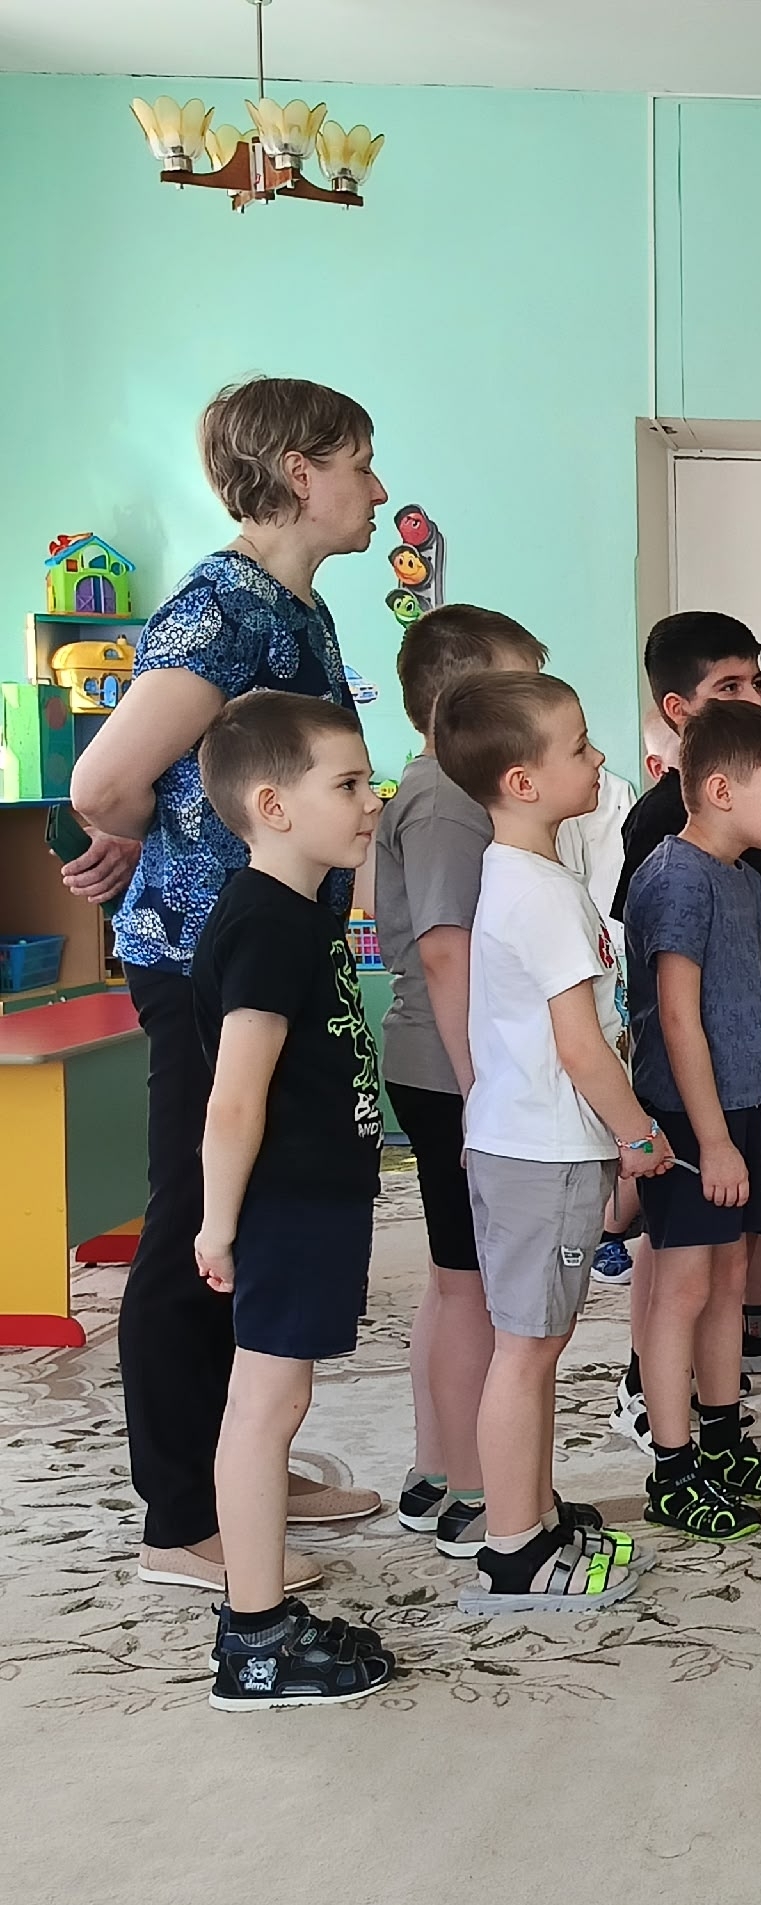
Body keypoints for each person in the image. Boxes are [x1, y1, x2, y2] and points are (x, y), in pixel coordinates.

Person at [67, 377, 386, 1594]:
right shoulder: (220, 605)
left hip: (271, 956)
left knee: (253, 1213)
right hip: (212, 965)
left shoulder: (293, 604)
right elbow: (104, 782)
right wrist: (131, 833)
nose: (377, 488)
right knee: (193, 1218)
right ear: (301, 474)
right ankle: (182, 1515)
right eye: (360, 463)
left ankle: (243, 1464)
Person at [191, 692, 399, 1706]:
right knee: (265, 1408)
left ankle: (259, 1618)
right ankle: (256, 1637)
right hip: (284, 1206)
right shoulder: (267, 927)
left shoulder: (302, 912)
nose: (370, 802)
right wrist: (217, 1223)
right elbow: (235, 1098)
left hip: (315, 1199)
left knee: (278, 1401)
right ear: (273, 806)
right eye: (347, 785)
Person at [442, 671, 658, 1614]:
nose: (599, 757)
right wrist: (639, 1134)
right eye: (579, 746)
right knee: (528, 1351)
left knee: (537, 1341)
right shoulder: (539, 894)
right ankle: (513, 1550)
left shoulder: (533, 875)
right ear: (523, 782)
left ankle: (532, 1511)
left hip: (531, 1144)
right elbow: (581, 1045)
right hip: (542, 1150)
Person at [609, 613, 761, 1458]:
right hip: (688, 1118)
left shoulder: (741, 877)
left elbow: (747, 1016)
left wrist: (759, 1122)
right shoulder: (676, 876)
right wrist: (712, 1139)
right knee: (685, 1285)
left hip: (738, 1108)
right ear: (724, 791)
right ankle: (673, 1459)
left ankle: (726, 1438)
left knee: (730, 1275)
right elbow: (677, 1019)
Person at [376, 605, 549, 1561]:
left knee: (455, 1282)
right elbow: (448, 953)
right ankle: (478, 1490)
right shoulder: (445, 795)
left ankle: (440, 1470)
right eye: (520, 684)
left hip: (446, 1068)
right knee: (474, 1288)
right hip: (454, 1073)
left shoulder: (435, 787)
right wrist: (486, 1089)